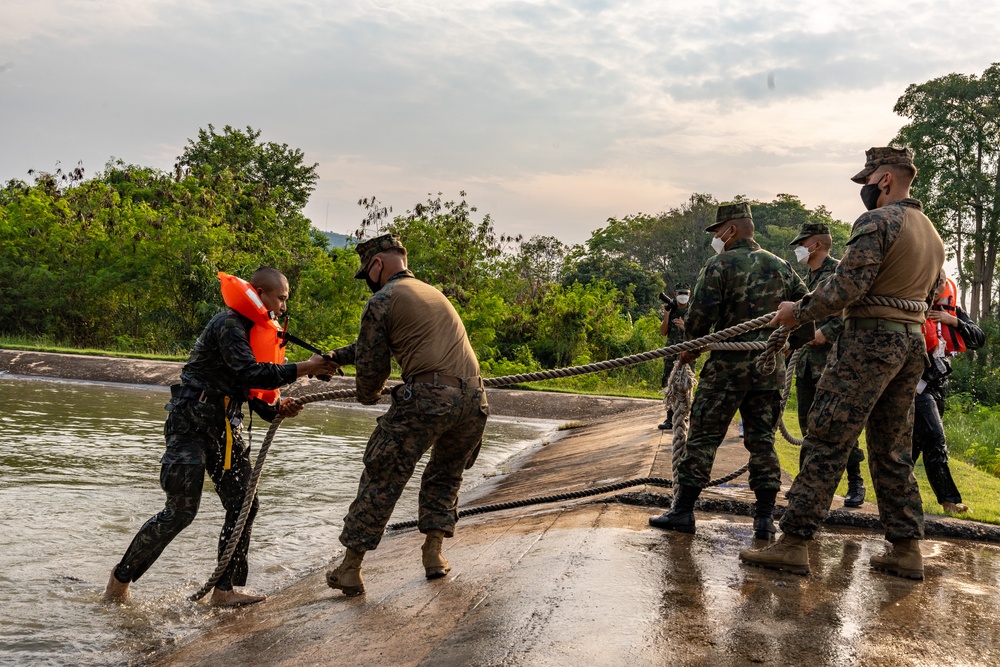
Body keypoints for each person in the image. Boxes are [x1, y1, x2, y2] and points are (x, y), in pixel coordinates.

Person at [740, 146, 945, 580]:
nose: (865, 190)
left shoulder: (878, 221)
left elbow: (847, 285)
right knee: (892, 447)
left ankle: (794, 542)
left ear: (884, 179)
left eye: (868, 181)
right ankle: (907, 549)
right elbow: (928, 301)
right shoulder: (931, 233)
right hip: (909, 346)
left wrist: (798, 310)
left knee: (828, 435)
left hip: (869, 340)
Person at [104, 267, 338, 606]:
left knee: (245, 504)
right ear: (259, 292)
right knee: (181, 511)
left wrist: (276, 409)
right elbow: (248, 372)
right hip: (190, 426)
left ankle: (225, 589)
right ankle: (119, 581)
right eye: (281, 299)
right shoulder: (227, 325)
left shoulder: (254, 331)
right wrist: (305, 367)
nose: (284, 308)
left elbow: (250, 387)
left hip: (226, 427)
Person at [325, 234, 489, 597]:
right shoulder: (430, 293)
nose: (367, 279)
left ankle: (350, 569)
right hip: (474, 400)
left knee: (383, 473)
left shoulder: (381, 299)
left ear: (377, 265)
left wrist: (366, 395)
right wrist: (336, 357)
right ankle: (434, 555)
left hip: (429, 398)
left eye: (367, 271)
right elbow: (377, 344)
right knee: (445, 475)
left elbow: (373, 369)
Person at [648, 203, 808, 541]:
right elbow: (807, 310)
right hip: (768, 372)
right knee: (762, 443)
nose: (716, 238)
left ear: (730, 231)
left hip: (725, 371)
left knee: (704, 439)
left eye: (718, 232)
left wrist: (688, 353)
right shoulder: (781, 267)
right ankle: (764, 519)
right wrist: (788, 344)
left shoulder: (718, 265)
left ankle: (684, 511)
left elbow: (699, 319)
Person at [789, 222, 866, 508]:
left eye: (801, 242)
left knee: (838, 425)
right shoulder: (806, 278)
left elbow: (851, 311)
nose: (797, 248)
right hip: (807, 364)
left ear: (816, 244)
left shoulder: (838, 273)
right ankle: (804, 484)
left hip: (835, 364)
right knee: (808, 426)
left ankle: (856, 482)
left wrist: (827, 332)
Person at [913, 270, 985, 514]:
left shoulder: (950, 309)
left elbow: (978, 339)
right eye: (933, 285)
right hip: (915, 385)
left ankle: (896, 494)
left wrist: (952, 321)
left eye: (940, 284)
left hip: (938, 384)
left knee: (916, 444)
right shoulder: (911, 305)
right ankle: (949, 501)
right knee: (935, 438)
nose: (936, 290)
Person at [658, 285, 691, 430]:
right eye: (680, 293)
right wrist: (666, 315)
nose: (683, 295)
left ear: (689, 294)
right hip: (671, 353)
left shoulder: (693, 311)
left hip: (687, 353)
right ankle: (670, 418)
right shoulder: (671, 310)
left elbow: (698, 335)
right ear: (675, 294)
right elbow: (663, 332)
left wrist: (685, 327)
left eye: (686, 293)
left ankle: (685, 417)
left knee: (685, 385)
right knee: (670, 385)